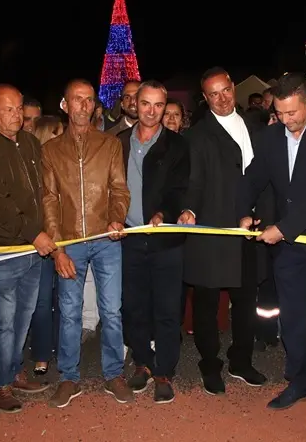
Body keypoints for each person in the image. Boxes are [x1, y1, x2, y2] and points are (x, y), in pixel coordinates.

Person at [237, 73, 306, 420]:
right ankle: (299, 382)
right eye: (280, 113)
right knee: (294, 321)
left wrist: (282, 229)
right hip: (291, 252)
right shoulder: (270, 137)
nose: (285, 120)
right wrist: (244, 212)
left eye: (292, 113)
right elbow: (254, 177)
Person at [0, 84, 58, 413]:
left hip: (32, 247)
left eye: (19, 108)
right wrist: (35, 233)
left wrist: (44, 229)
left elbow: (40, 193)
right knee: (4, 320)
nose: (16, 115)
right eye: (8, 109)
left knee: (24, 316)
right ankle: (0, 384)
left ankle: (11, 371)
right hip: (0, 249)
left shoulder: (30, 143)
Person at [42, 79, 132, 408]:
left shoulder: (110, 144)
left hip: (106, 238)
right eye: (76, 100)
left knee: (111, 310)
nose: (83, 105)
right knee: (69, 313)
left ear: (95, 106)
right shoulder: (50, 150)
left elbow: (119, 189)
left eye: (89, 100)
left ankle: (113, 374)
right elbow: (49, 201)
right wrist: (58, 248)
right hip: (70, 241)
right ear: (65, 106)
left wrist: (117, 218)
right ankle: (68, 378)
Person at [178, 67, 267, 395]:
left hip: (249, 232)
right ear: (205, 98)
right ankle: (209, 365)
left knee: (247, 301)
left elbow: (264, 177)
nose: (222, 98)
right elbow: (193, 183)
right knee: (207, 304)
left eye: (225, 90)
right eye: (213, 94)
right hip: (212, 232)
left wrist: (263, 216)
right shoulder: (197, 135)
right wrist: (188, 209)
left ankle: (241, 362)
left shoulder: (256, 126)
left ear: (234, 87)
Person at [117, 80, 190, 404]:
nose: (151, 111)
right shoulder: (117, 142)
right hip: (129, 240)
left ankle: (164, 372)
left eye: (159, 105)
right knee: (134, 308)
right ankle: (142, 363)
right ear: (135, 104)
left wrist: (164, 213)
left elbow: (180, 190)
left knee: (167, 309)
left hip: (165, 242)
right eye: (145, 103)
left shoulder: (177, 145)